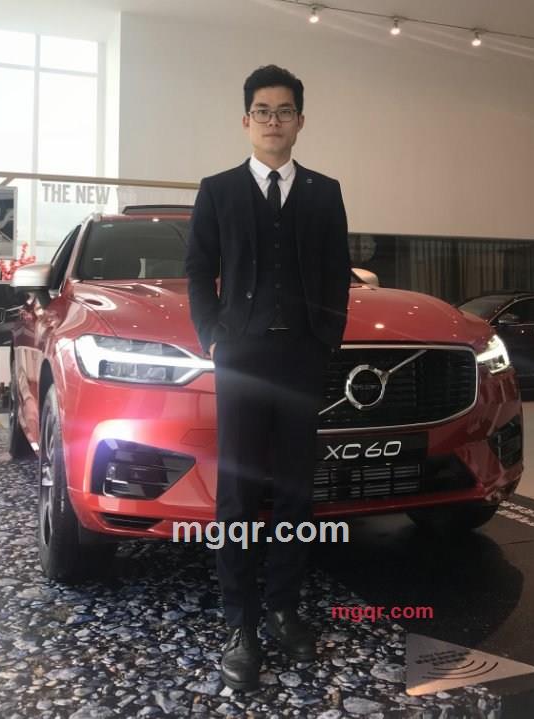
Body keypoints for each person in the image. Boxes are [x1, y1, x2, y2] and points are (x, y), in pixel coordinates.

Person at [185, 64, 351, 691]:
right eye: (263, 110)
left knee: (295, 492)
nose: (273, 121)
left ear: (300, 121)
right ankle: (241, 625)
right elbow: (198, 269)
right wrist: (212, 334)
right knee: (236, 493)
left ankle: (283, 609)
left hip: (302, 358)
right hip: (242, 359)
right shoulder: (218, 190)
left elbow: (336, 271)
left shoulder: (325, 192)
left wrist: (326, 338)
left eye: (284, 111)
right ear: (246, 120)